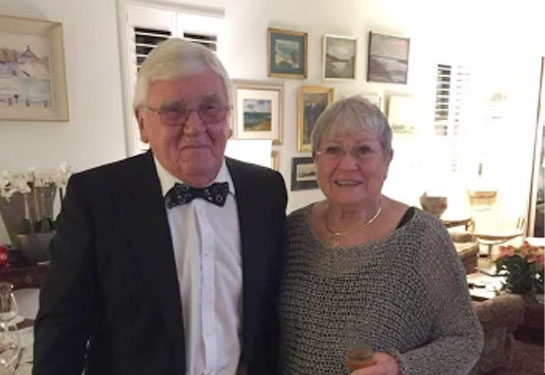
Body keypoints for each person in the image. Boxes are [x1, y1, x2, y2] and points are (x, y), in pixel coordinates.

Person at [33, 38, 287, 375]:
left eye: (210, 107)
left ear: (228, 117)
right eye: (173, 110)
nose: (194, 127)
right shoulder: (97, 197)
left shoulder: (266, 190)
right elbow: (61, 330)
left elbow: (276, 314)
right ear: (142, 123)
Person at [280, 96, 483, 375]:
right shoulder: (292, 230)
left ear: (387, 159)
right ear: (316, 158)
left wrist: (401, 368)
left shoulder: (421, 236)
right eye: (333, 150)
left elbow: (465, 340)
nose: (348, 164)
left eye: (363, 150)